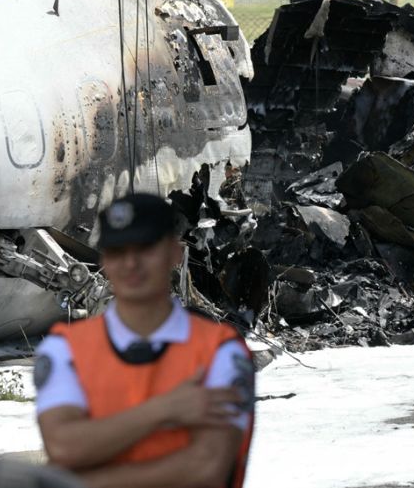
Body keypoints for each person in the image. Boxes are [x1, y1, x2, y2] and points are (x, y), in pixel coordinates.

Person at [34, 193, 254, 488]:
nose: (131, 263)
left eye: (146, 247)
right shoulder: (64, 350)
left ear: (174, 254)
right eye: (117, 250)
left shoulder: (220, 352)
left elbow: (208, 467)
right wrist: (164, 409)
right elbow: (64, 448)